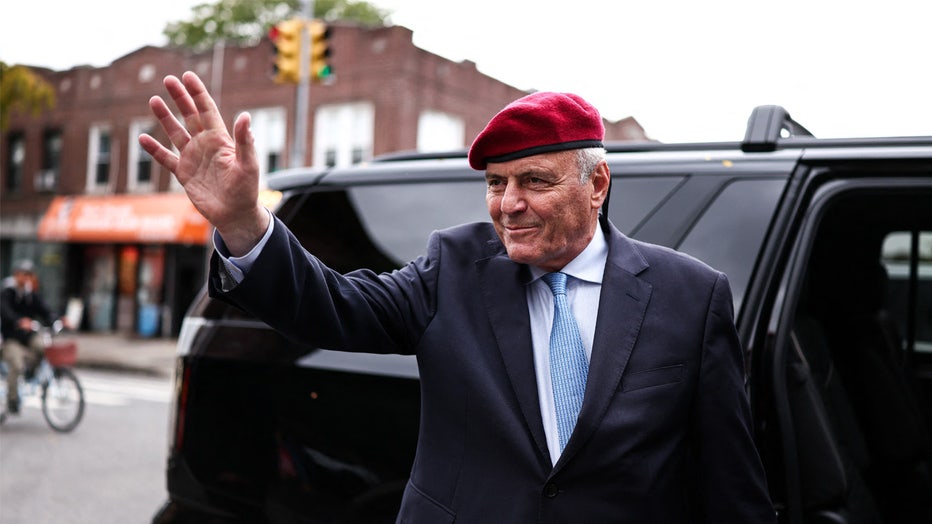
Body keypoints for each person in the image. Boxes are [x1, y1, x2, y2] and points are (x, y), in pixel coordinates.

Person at [140, 71, 776, 522]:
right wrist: (244, 223)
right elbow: (330, 306)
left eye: (533, 181)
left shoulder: (690, 297)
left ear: (598, 183)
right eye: (496, 183)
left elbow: (730, 487)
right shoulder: (454, 268)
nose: (508, 205)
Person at [1, 260, 55, 414]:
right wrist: (18, 321)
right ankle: (12, 400)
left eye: (29, 275)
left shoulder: (31, 294)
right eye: (23, 274)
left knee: (43, 347)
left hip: (29, 336)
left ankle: (31, 371)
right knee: (16, 365)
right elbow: (4, 311)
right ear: (16, 274)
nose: (26, 278)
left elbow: (45, 310)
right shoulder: (7, 292)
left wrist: (56, 319)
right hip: (10, 338)